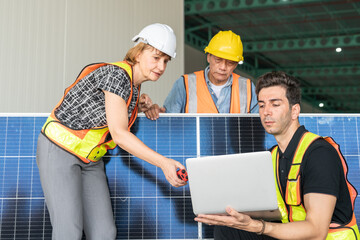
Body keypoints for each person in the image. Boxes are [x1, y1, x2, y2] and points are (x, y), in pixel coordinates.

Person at [36, 23, 187, 240]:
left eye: (166, 60)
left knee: (104, 233)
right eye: (156, 57)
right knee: (68, 231)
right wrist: (164, 163)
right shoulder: (116, 75)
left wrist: (141, 106)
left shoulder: (134, 88)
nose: (161, 66)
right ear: (138, 52)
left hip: (90, 160)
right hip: (59, 151)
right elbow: (119, 134)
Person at [194, 71, 360, 239]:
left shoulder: (319, 155)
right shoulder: (273, 156)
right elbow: (280, 210)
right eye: (261, 105)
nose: (266, 112)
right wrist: (232, 215)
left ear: (294, 111)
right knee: (229, 229)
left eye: (275, 104)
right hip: (297, 234)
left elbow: (316, 231)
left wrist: (258, 226)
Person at [144, 30, 258, 120]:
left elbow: (258, 125)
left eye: (230, 63)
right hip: (193, 150)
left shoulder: (247, 87)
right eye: (218, 60)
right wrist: (155, 112)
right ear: (208, 57)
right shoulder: (184, 84)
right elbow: (168, 121)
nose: (223, 67)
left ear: (236, 64)